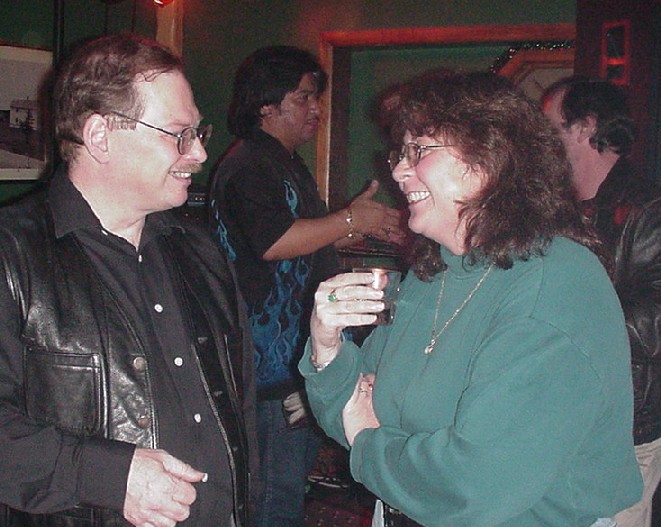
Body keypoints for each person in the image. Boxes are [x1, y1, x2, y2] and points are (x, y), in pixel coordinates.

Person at [299, 70, 643, 527]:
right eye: (400, 153)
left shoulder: (556, 286)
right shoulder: (435, 270)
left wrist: (368, 441)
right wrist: (327, 350)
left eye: (419, 150)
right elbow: (346, 414)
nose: (398, 171)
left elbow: (473, 485)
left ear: (489, 158)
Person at [0, 34, 256, 527]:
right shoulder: (11, 254)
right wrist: (110, 476)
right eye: (178, 133)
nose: (199, 153)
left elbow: (239, 414)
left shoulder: (201, 251)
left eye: (198, 132)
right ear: (100, 137)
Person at [208, 46, 404, 527]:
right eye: (303, 97)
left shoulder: (283, 162)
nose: (316, 109)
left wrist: (358, 227)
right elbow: (273, 242)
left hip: (289, 361)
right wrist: (350, 219)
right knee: (273, 496)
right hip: (265, 369)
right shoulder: (251, 163)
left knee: (286, 489)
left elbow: (302, 240)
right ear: (266, 104)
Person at [542, 76, 661, 527]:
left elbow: (655, 321)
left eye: (549, 126)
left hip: (624, 430)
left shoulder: (648, 208)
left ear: (585, 127)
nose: (541, 139)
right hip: (566, 419)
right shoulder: (559, 208)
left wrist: (571, 320)